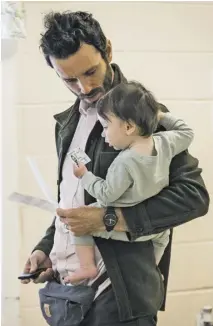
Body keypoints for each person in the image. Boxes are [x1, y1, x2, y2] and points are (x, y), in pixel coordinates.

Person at [21, 11, 209, 326]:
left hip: (120, 303)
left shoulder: (145, 116)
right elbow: (71, 202)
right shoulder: (67, 124)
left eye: (90, 71)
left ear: (107, 50)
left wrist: (110, 219)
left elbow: (194, 197)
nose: (83, 86)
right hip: (68, 300)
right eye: (69, 79)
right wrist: (46, 249)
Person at [63, 81, 194, 284]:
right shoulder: (165, 142)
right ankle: (154, 271)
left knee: (80, 224)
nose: (104, 133)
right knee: (163, 237)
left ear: (129, 126)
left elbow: (107, 194)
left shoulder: (124, 162)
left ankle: (87, 267)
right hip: (154, 228)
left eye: (106, 127)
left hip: (126, 227)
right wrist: (157, 114)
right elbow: (187, 132)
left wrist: (84, 175)